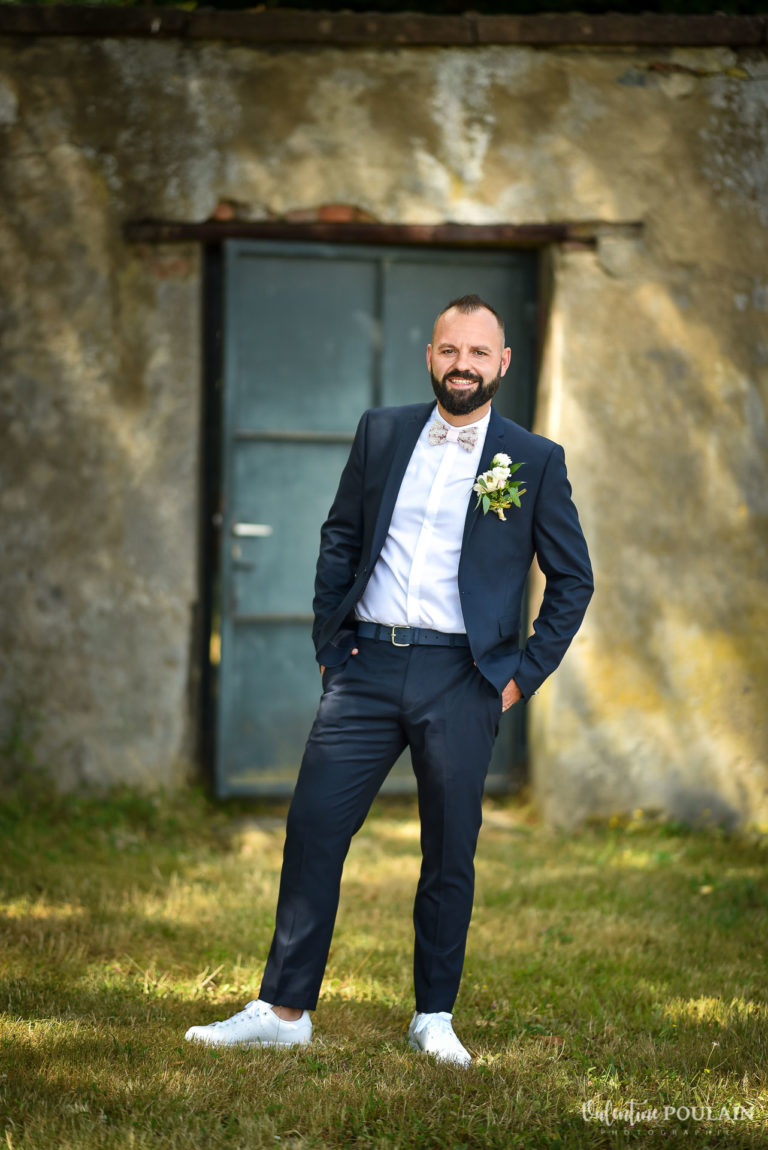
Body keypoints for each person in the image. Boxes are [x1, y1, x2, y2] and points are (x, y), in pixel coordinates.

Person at [185, 294, 593, 1066]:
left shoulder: (533, 459)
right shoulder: (381, 431)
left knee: (449, 850)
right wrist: (330, 642)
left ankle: (433, 1016)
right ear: (430, 355)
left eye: (479, 352)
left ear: (503, 363)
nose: (463, 365)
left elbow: (573, 579)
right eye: (450, 350)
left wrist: (518, 678)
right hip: (366, 668)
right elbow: (340, 535)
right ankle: (285, 1010)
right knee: (314, 828)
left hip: (463, 677)